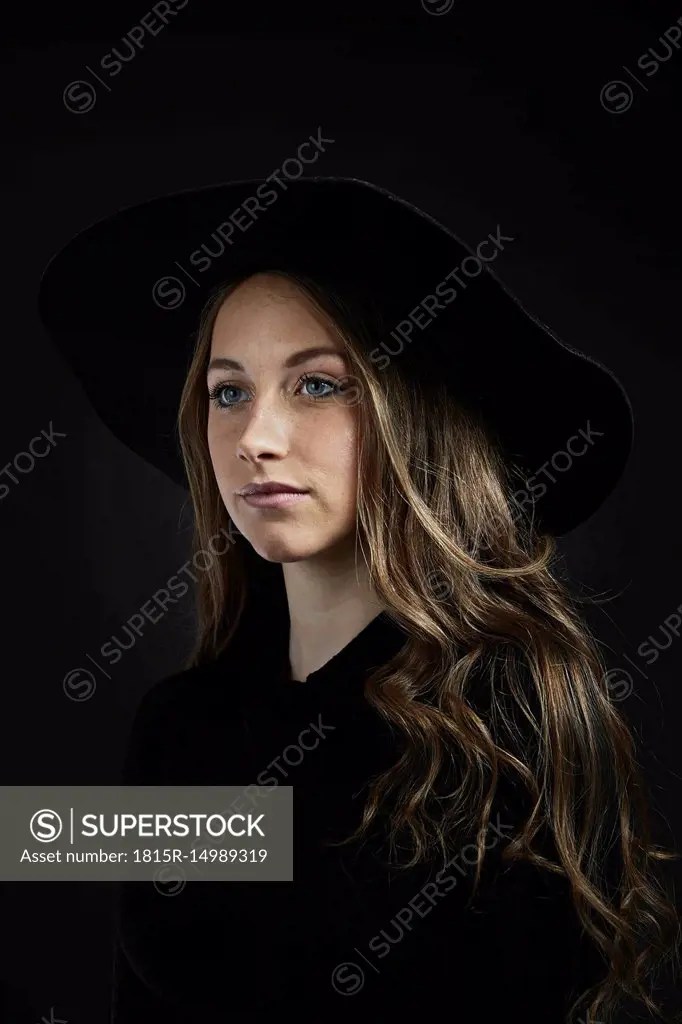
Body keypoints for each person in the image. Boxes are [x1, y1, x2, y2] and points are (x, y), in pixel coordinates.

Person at [37, 178, 680, 1023]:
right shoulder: (183, 723)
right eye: (228, 392)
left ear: (409, 413)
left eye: (316, 385)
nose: (256, 439)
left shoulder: (508, 714)